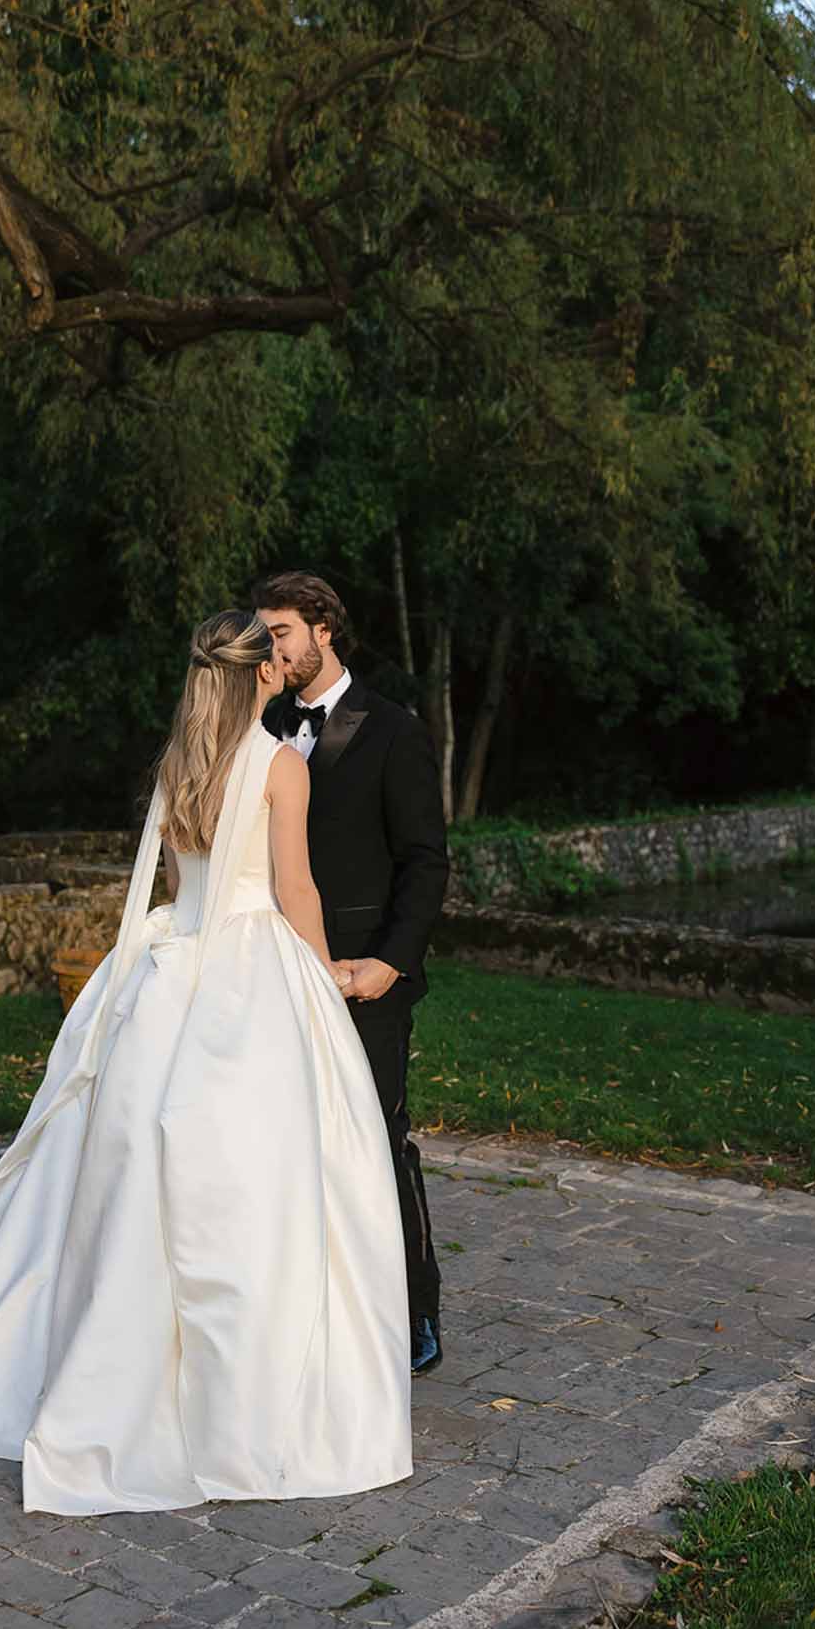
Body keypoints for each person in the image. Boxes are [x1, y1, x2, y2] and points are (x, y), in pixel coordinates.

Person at [0, 609, 412, 1516]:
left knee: (138, 1161)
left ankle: (120, 1351)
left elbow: (182, 887)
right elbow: (296, 888)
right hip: (252, 969)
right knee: (262, 1174)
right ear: (263, 673)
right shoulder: (280, 766)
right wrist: (322, 983)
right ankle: (248, 1390)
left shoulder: (180, 766)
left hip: (168, 969)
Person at [252, 573, 449, 1376]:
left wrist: (390, 965)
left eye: (282, 632)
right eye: (264, 634)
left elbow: (426, 863)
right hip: (269, 973)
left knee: (378, 1141)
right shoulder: (257, 725)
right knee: (286, 1145)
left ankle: (414, 1311)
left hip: (361, 978)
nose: (271, 649)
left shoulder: (394, 729)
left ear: (325, 629)